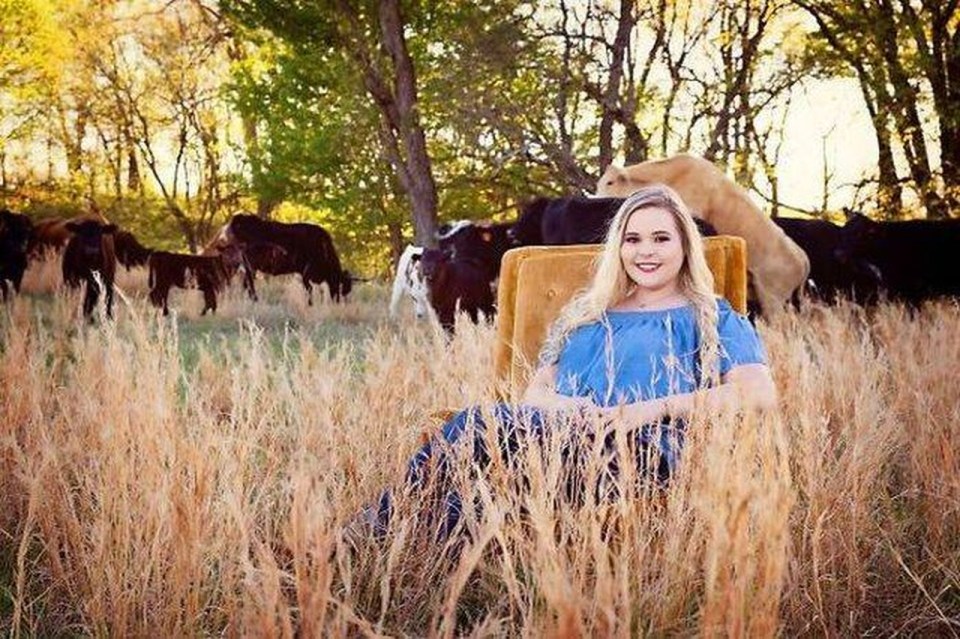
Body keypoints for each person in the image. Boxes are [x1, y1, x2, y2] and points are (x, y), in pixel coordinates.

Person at [360, 184, 777, 540]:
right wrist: (564, 407)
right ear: (618, 248)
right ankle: (373, 560)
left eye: (661, 239)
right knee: (463, 502)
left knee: (475, 424)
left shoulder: (710, 315)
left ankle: (363, 535)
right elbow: (536, 392)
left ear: (685, 245)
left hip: (647, 451)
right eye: (632, 240)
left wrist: (643, 411)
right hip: (562, 436)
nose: (645, 251)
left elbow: (757, 394)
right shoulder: (583, 315)